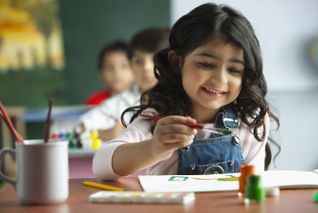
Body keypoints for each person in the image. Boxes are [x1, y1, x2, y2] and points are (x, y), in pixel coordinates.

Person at [92, 3, 280, 180]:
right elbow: (100, 165)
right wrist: (154, 148)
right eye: (206, 64)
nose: (220, 79)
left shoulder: (250, 119)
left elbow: (254, 186)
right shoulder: (158, 118)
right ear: (177, 63)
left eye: (234, 70)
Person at [77, 27, 170, 140]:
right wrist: (108, 134)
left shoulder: (184, 98)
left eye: (155, 60)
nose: (146, 67)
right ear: (131, 65)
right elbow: (78, 130)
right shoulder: (118, 103)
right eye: (139, 61)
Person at [85, 41, 134, 106]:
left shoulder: (143, 99)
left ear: (136, 69)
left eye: (124, 66)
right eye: (110, 67)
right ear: (101, 73)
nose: (116, 72)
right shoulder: (94, 102)